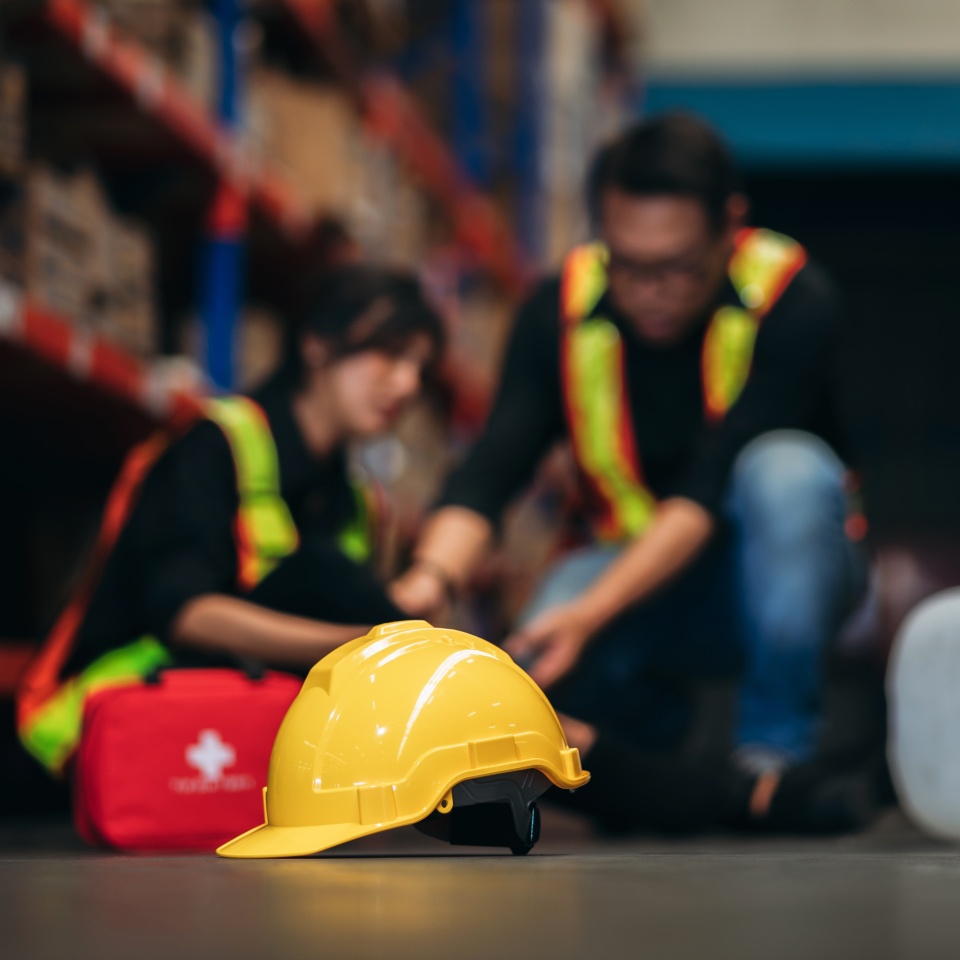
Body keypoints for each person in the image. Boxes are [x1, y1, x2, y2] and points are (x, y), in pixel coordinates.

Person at [392, 113, 872, 828]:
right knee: (543, 638)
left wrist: (588, 614)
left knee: (787, 471)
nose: (652, 291)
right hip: (647, 577)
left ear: (728, 228)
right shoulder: (556, 308)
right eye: (630, 265)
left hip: (779, 577)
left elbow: (705, 490)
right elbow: (494, 467)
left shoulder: (794, 300)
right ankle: (655, 738)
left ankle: (772, 758)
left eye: (678, 267)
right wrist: (427, 583)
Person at [18, 265, 444, 775]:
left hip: (231, 736)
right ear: (315, 345)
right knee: (326, 576)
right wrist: (366, 644)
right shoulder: (215, 444)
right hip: (105, 723)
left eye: (420, 368)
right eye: (389, 354)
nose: (406, 384)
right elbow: (183, 611)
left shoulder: (357, 501)